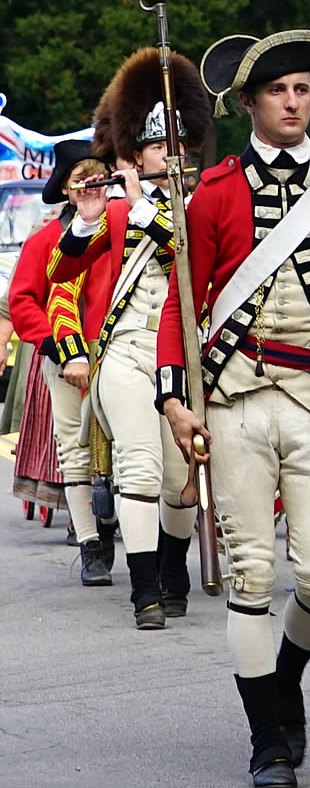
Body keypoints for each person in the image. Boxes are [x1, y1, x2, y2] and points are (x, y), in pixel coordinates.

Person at [157, 29, 310, 788]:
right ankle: (269, 742)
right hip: (231, 397)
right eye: (278, 92)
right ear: (251, 103)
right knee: (254, 574)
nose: (294, 102)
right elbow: (179, 306)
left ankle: (280, 680)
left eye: (300, 90)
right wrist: (172, 400)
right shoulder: (215, 193)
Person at [47, 49, 214, 627]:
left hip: (184, 357)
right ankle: (144, 590)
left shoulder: (205, 203)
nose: (172, 155)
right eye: (157, 147)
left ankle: (172, 571)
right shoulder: (116, 207)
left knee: (179, 481)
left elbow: (187, 253)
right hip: (123, 353)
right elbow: (60, 274)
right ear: (133, 155)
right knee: (139, 467)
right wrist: (89, 218)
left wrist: (144, 208)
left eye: (179, 145)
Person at [9, 140, 117, 583]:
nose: (89, 186)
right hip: (65, 358)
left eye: (96, 177)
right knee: (74, 449)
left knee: (128, 452)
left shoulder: (126, 231)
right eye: (80, 180)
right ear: (69, 191)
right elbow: (22, 302)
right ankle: (91, 544)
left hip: (120, 354)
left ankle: (111, 524)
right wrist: (57, 345)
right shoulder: (45, 241)